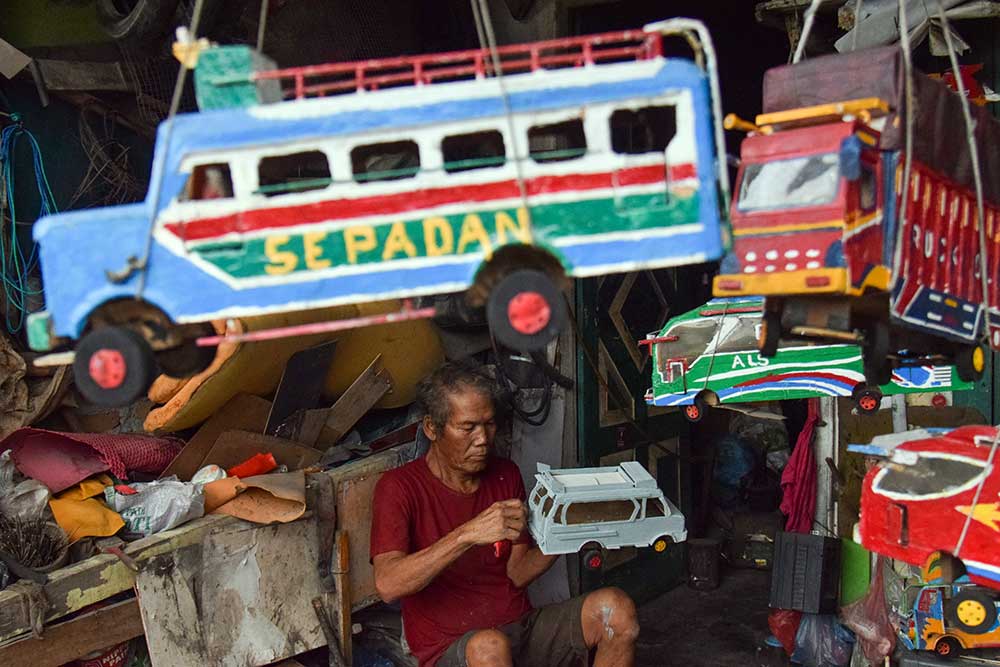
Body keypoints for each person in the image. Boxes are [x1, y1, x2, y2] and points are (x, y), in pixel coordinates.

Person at [370, 361, 639, 667]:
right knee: (489, 647)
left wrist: (570, 534)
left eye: (489, 424)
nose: (483, 439)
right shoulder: (398, 487)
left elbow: (516, 573)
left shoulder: (504, 474)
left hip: (518, 631)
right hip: (456, 649)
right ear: (432, 428)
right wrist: (468, 534)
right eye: (468, 427)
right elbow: (388, 585)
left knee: (617, 610)